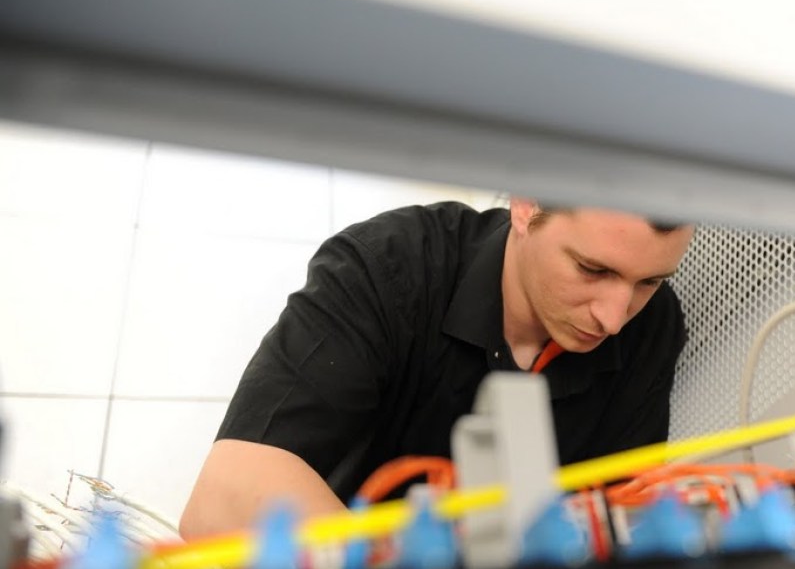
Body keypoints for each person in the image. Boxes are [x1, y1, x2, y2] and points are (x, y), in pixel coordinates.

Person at [179, 197, 694, 538]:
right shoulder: (387, 270)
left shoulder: (653, 327)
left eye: (649, 282)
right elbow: (223, 499)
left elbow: (620, 517)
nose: (614, 317)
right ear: (525, 206)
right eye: (592, 269)